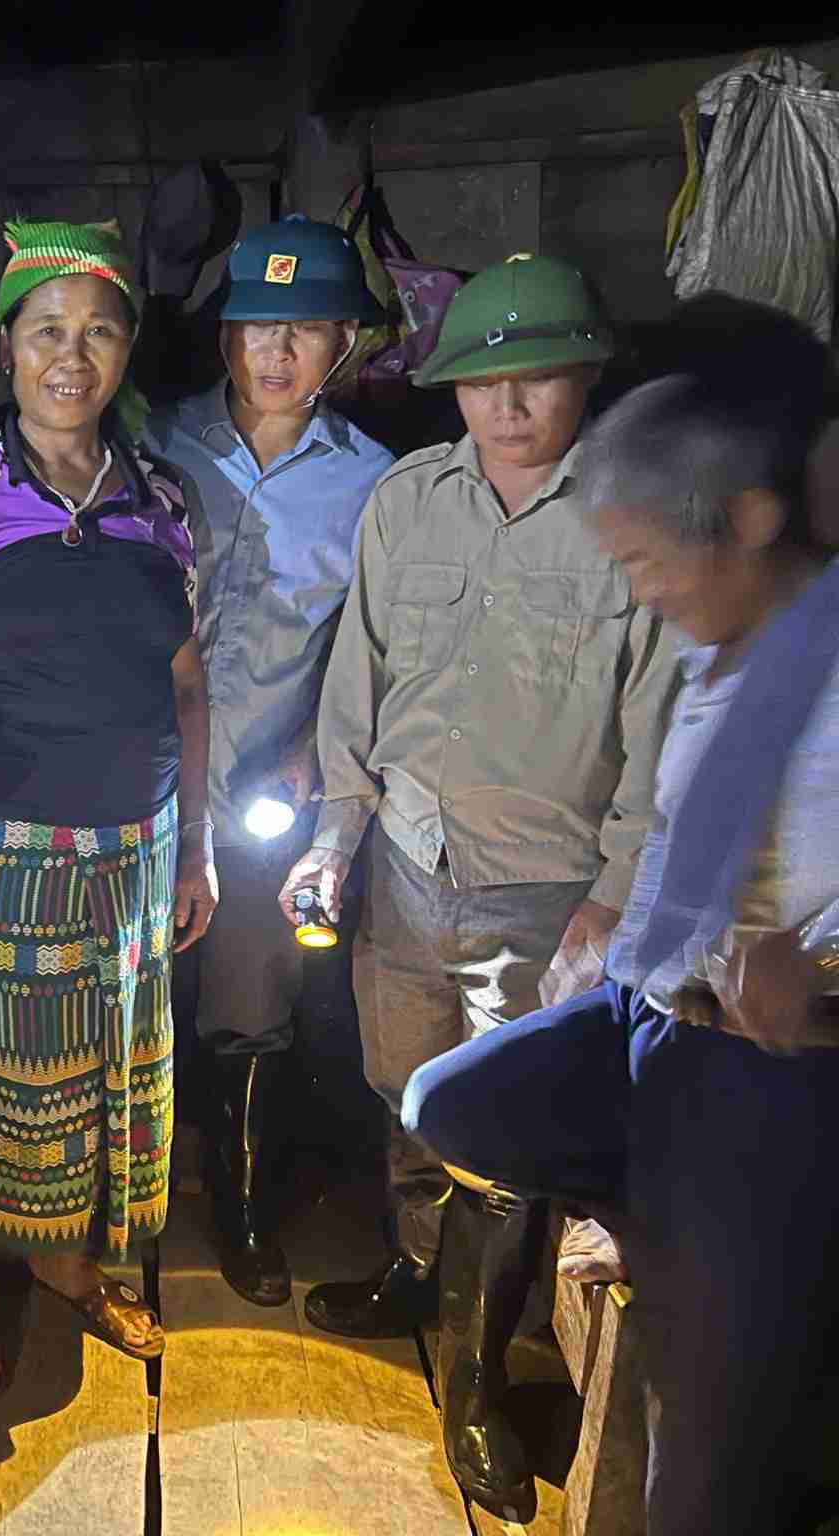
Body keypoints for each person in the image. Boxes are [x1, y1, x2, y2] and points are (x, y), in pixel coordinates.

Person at [404, 357, 839, 1536]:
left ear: (748, 521)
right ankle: (642, 1204)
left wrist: (814, 968)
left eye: (648, 562)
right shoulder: (717, 648)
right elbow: (675, 837)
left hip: (772, 1066)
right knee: (452, 1101)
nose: (638, 591)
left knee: (700, 1461)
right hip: (651, 1014)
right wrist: (621, 948)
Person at [279, 253, 677, 1518]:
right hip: (406, 865)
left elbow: (658, 729)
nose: (507, 406)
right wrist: (331, 837)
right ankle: (415, 1275)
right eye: (481, 381)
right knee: (405, 1092)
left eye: (538, 378)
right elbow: (356, 681)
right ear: (449, 387)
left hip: (543, 888)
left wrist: (611, 896)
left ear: (585, 377)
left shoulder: (638, 516)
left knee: (500, 1141)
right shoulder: (406, 502)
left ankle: (468, 1384)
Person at [0, 218, 215, 1392]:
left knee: (96, 1067)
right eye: (46, 332)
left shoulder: (163, 500)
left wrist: (195, 848)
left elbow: (187, 685)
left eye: (98, 333)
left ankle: (68, 1257)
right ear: (6, 348)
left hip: (134, 842)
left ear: (124, 350)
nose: (71, 358)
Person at [145, 216, 395, 1306]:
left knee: (252, 999)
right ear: (224, 339)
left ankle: (242, 1207)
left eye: (303, 329)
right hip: (138, 779)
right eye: (256, 326)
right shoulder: (154, 443)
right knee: (122, 990)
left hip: (261, 786)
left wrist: (305, 751)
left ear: (344, 343)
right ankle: (115, 1203)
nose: (276, 351)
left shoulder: (376, 485)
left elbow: (367, 646)